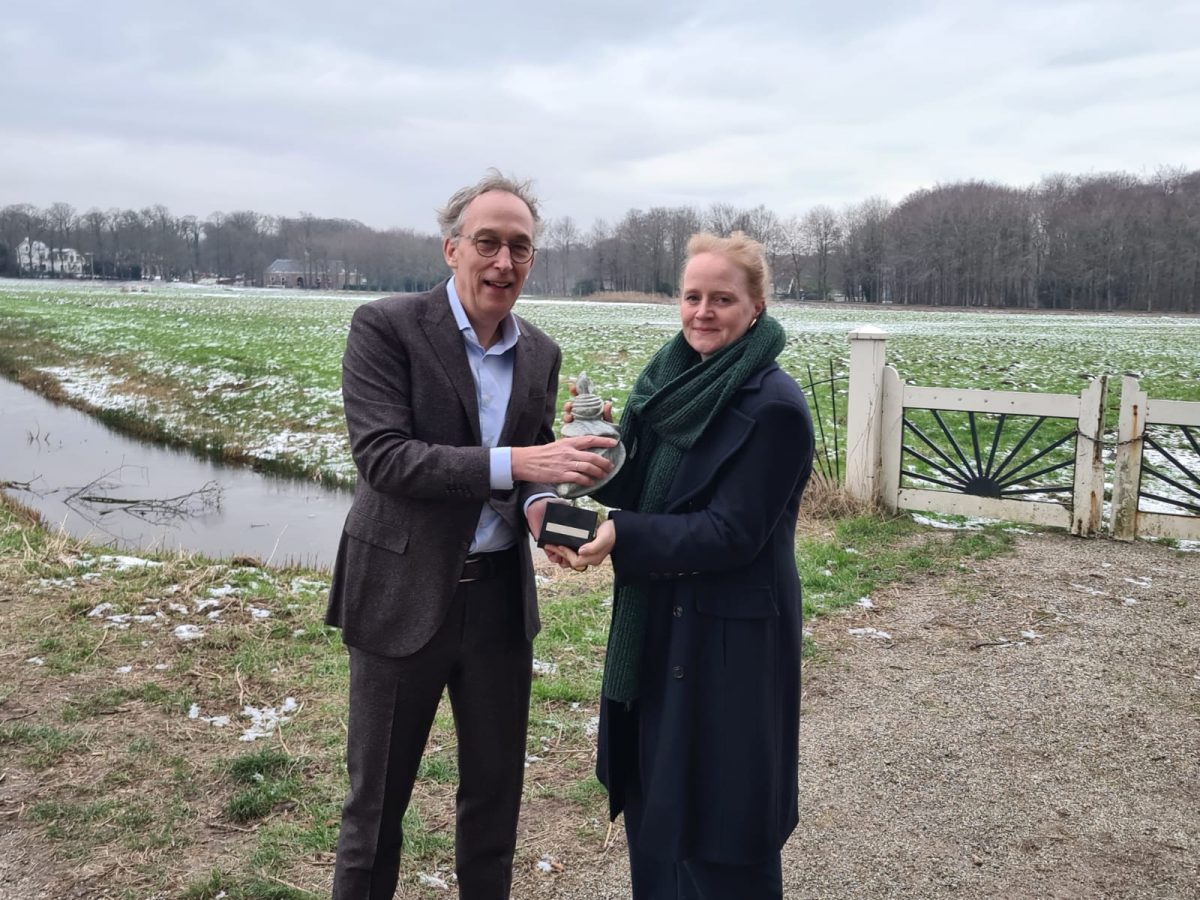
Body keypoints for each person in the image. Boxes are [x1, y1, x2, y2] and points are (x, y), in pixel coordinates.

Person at [325, 170, 616, 900]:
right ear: (451, 249)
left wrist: (544, 511)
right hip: (400, 597)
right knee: (375, 810)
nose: (503, 262)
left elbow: (534, 470)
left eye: (520, 248)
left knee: (494, 803)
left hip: (496, 608)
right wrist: (521, 463)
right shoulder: (384, 327)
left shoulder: (540, 354)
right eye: (487, 243)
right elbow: (385, 458)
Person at [550, 231, 814, 899]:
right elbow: (646, 492)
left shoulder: (773, 406)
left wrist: (622, 536)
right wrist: (604, 455)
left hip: (729, 644)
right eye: (693, 296)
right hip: (661, 633)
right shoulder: (670, 387)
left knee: (726, 830)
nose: (703, 311)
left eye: (722, 298)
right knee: (659, 817)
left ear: (755, 307)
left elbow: (732, 534)